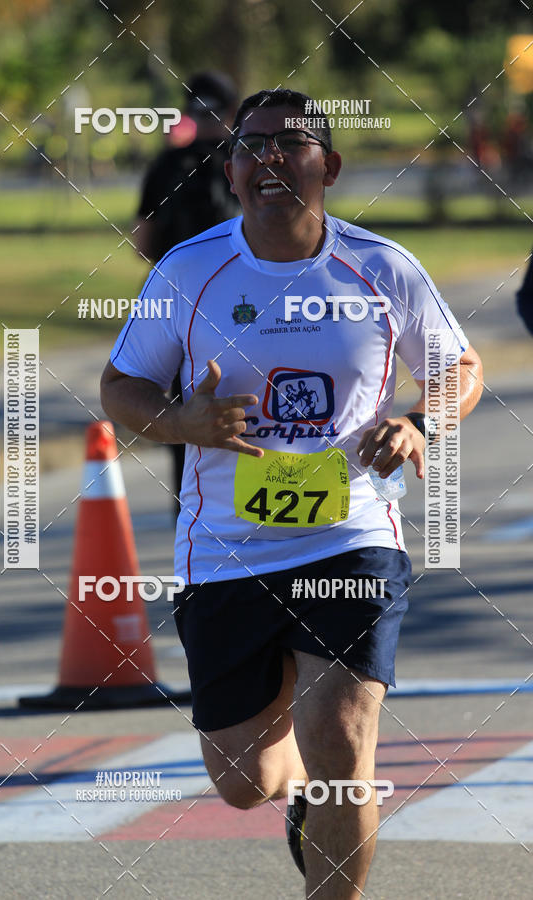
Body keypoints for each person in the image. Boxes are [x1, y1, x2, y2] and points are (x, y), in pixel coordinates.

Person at [101, 88, 483, 898]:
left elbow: (462, 367)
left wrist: (420, 421)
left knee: (343, 743)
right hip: (225, 547)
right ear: (232, 172)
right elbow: (120, 387)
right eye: (251, 146)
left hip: (351, 536)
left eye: (293, 143)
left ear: (329, 167)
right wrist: (183, 422)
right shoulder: (191, 271)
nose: (270, 157)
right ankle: (298, 786)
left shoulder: (381, 269)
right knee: (244, 780)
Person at [133, 71, 240, 515]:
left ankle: (193, 511)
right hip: (246, 305)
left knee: (181, 415)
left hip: (179, 312)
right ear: (233, 110)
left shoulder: (166, 166)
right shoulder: (248, 158)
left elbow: (142, 240)